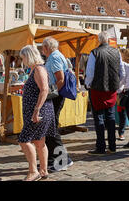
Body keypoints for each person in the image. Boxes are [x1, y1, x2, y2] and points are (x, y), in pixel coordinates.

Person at [18, 45, 57, 181]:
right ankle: (43, 170)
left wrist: (36, 110)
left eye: (23, 58)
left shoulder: (39, 69)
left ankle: (33, 171)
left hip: (39, 111)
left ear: (29, 56)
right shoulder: (36, 69)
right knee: (40, 141)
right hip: (40, 110)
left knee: (24, 140)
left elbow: (44, 90)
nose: (22, 61)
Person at [85, 32, 124, 155]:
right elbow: (121, 72)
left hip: (97, 88)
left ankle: (101, 147)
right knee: (111, 117)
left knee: (99, 118)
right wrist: (118, 84)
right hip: (111, 89)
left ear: (99, 40)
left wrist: (87, 84)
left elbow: (90, 72)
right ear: (108, 40)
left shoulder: (94, 53)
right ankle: (112, 146)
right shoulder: (116, 52)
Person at [41, 37, 73, 172]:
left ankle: (63, 160)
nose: (42, 50)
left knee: (51, 127)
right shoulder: (56, 56)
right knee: (49, 127)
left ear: (47, 47)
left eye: (43, 47)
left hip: (55, 96)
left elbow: (60, 78)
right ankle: (52, 159)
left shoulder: (54, 57)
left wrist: (51, 92)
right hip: (55, 95)